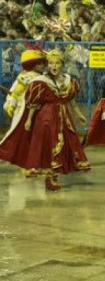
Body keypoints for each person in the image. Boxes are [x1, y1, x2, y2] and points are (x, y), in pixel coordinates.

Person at [0, 49, 90, 190]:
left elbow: (71, 101)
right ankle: (49, 178)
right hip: (45, 119)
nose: (54, 66)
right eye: (51, 63)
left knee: (63, 146)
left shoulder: (69, 81)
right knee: (48, 147)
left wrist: (78, 114)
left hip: (63, 117)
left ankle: (52, 177)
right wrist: (29, 120)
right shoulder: (40, 81)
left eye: (57, 63)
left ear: (62, 64)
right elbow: (34, 103)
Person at [2, 49, 46, 122]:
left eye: (43, 63)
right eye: (39, 64)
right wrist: (11, 105)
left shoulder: (42, 75)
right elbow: (16, 93)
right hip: (25, 108)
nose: (43, 66)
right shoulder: (27, 76)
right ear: (32, 64)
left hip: (39, 109)